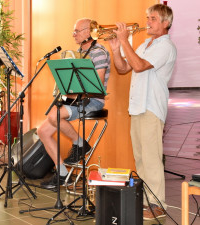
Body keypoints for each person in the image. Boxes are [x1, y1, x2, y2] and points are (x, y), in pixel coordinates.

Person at [108, 4, 176, 220]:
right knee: (140, 158)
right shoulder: (146, 44)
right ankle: (146, 199)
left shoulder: (166, 46)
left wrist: (126, 40)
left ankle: (157, 204)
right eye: (148, 17)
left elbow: (138, 66)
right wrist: (116, 47)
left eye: (153, 18)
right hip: (137, 107)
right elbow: (122, 68)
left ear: (166, 23)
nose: (147, 22)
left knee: (152, 158)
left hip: (152, 107)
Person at [38, 18, 110, 189]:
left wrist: (73, 90)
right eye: (74, 31)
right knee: (42, 131)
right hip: (76, 100)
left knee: (54, 115)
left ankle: (79, 143)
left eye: (77, 31)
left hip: (92, 100)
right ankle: (63, 174)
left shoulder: (99, 52)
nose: (74, 34)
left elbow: (97, 85)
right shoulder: (78, 52)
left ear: (88, 32)